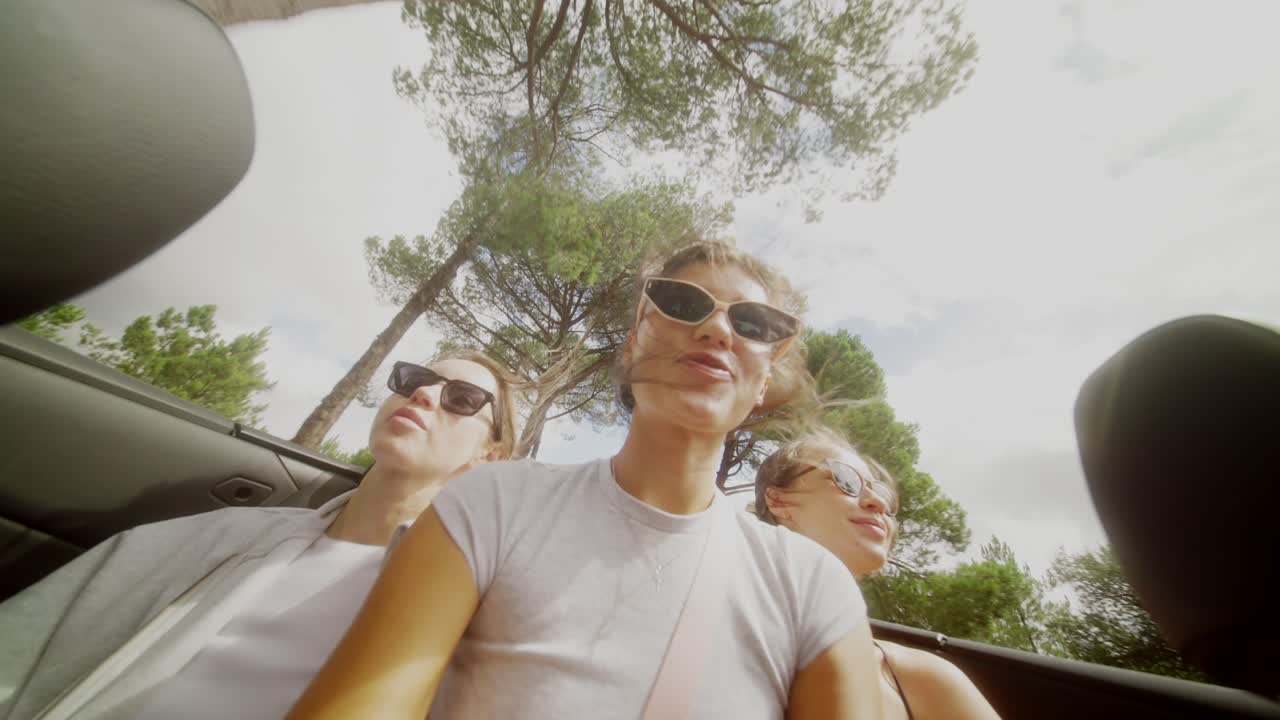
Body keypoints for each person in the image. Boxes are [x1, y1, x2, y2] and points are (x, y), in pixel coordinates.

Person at [288, 239, 885, 719]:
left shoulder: (813, 588)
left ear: (762, 384)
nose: (717, 331)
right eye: (682, 304)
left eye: (754, 323)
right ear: (630, 348)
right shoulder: (493, 504)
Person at [0, 350, 518, 720]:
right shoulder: (225, 535)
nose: (424, 393)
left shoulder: (467, 622)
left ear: (488, 458)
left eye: (463, 398)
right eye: (414, 378)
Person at [754, 429, 1001, 720]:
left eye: (884, 494)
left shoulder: (924, 677)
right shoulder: (717, 631)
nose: (879, 504)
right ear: (779, 501)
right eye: (847, 480)